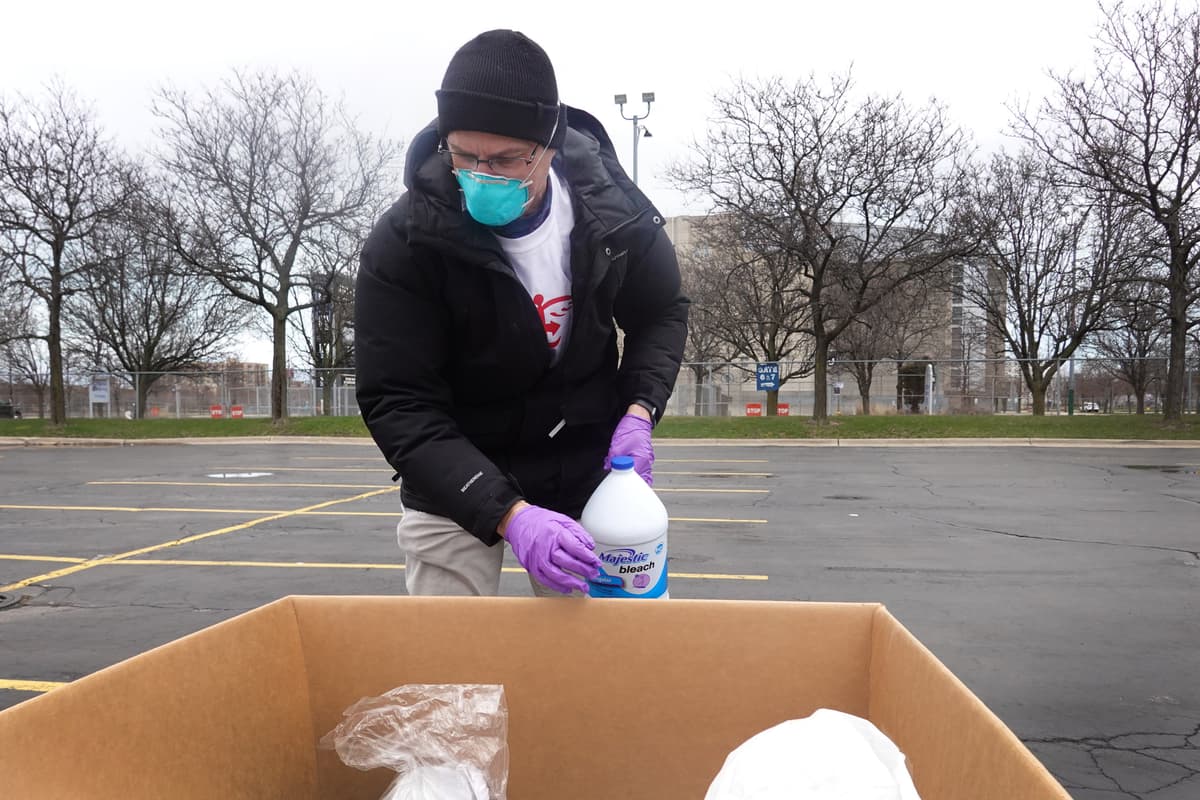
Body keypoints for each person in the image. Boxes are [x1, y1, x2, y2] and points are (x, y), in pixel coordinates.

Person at [355, 29, 688, 597]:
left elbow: (661, 310)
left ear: (550, 146)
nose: (483, 174)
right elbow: (398, 401)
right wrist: (510, 514)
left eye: (508, 159)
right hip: (455, 470)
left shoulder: (613, 215)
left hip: (580, 464)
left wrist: (638, 409)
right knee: (449, 665)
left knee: (592, 657)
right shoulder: (405, 241)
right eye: (465, 155)